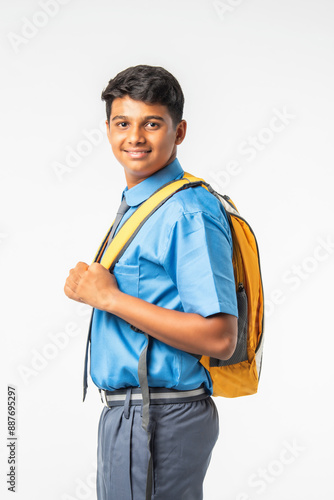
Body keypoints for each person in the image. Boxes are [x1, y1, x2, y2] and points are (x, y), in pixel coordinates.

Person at [64, 64, 238, 500]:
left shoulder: (186, 211)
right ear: (107, 130)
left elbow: (219, 338)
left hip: (160, 416)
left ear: (178, 132)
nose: (135, 138)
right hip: (130, 415)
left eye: (152, 124)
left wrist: (109, 298)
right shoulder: (143, 203)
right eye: (123, 123)